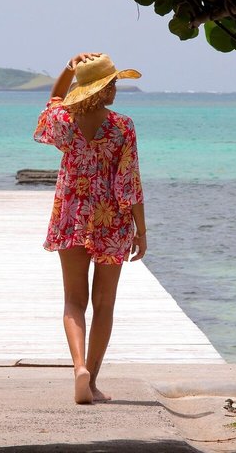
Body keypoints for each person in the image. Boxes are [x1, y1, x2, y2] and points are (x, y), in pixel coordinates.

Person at [34, 52, 147, 405]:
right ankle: (93, 382)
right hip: (111, 220)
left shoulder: (65, 121)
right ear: (104, 89)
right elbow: (130, 182)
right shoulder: (122, 126)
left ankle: (79, 368)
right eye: (112, 83)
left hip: (71, 215)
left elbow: (53, 99)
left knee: (73, 300)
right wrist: (141, 230)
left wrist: (68, 69)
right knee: (104, 304)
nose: (116, 89)